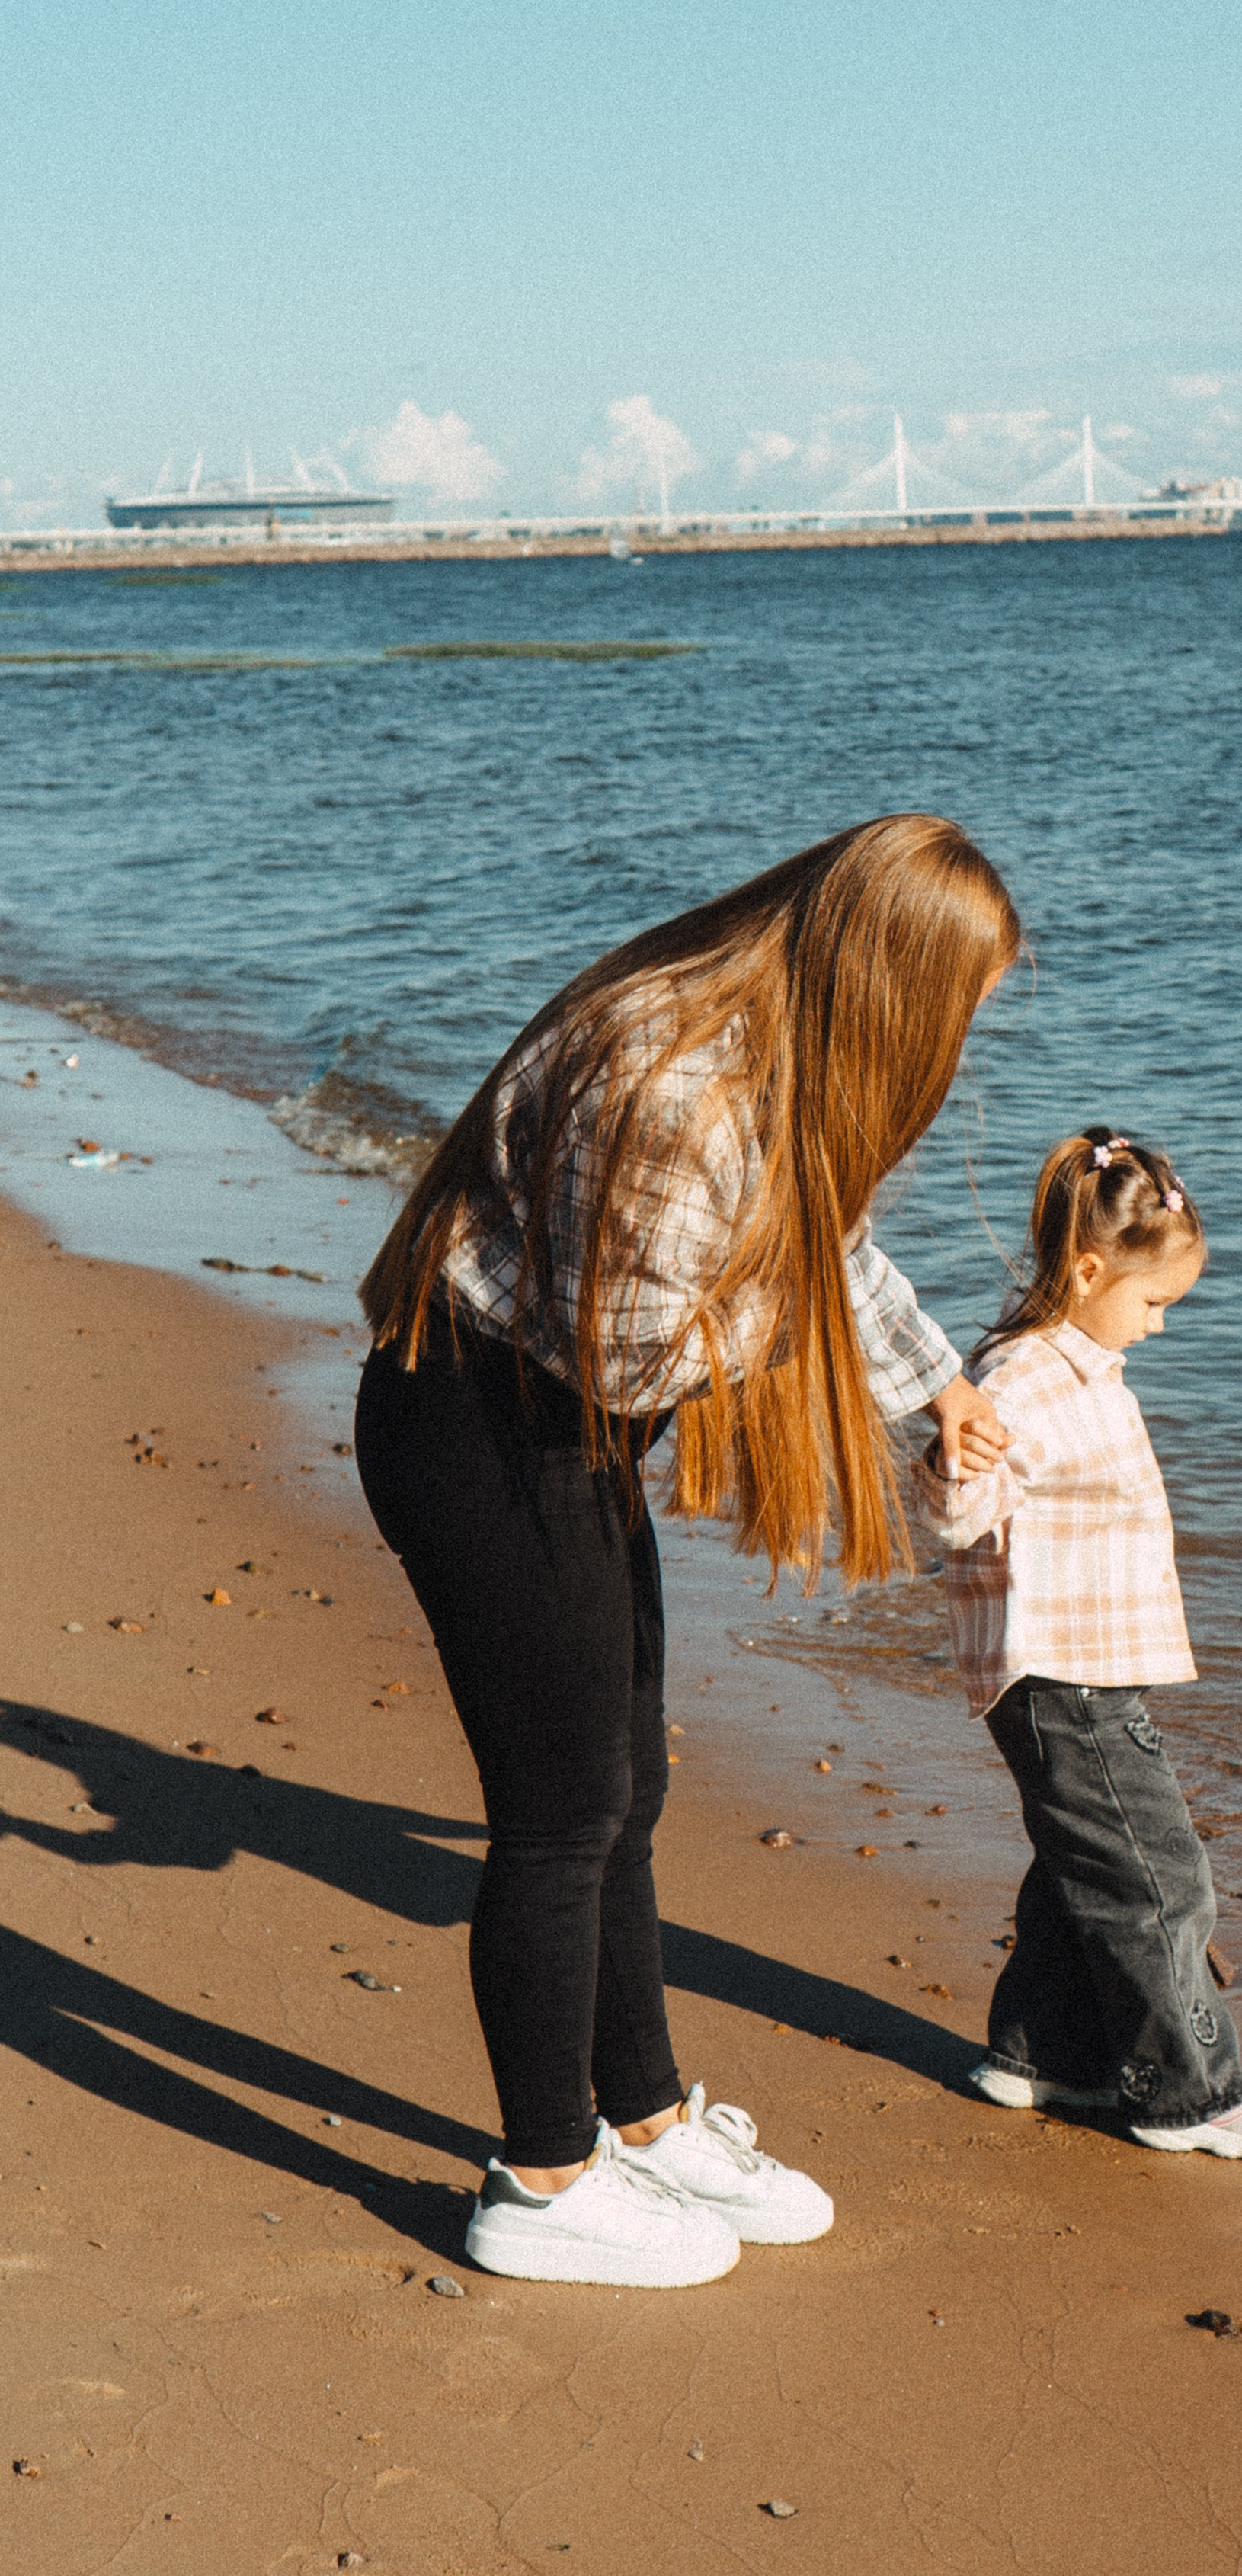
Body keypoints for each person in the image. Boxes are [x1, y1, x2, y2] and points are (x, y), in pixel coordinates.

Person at [354, 816, 1020, 2286]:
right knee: (558, 1810)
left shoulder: (769, 1044)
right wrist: (834, 1370)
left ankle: (643, 2124)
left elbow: (815, 1230)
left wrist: (935, 1382)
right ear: (893, 978)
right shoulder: (673, 1089)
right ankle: (538, 2180)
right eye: (963, 1003)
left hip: (556, 1433)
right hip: (478, 1427)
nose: (967, 1037)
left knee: (629, 1785)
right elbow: (647, 1359)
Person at [909, 1130, 1242, 2161]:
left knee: (1080, 1866)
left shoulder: (1077, 1366)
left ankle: (1046, 2055)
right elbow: (952, 1520)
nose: (1161, 1326)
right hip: (1059, 1676)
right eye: (1152, 1303)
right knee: (1159, 1875)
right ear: (1089, 1272)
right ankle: (1193, 2092)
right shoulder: (1027, 1378)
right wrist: (951, 1467)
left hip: (1074, 1669)